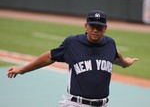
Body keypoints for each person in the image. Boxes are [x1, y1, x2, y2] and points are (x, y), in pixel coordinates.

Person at [7, 10, 138, 107]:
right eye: (92, 26)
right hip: (76, 104)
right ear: (85, 26)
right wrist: (22, 70)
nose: (95, 30)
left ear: (105, 28)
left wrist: (126, 63)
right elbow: (48, 57)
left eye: (99, 27)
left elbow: (116, 56)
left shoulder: (110, 44)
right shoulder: (72, 43)